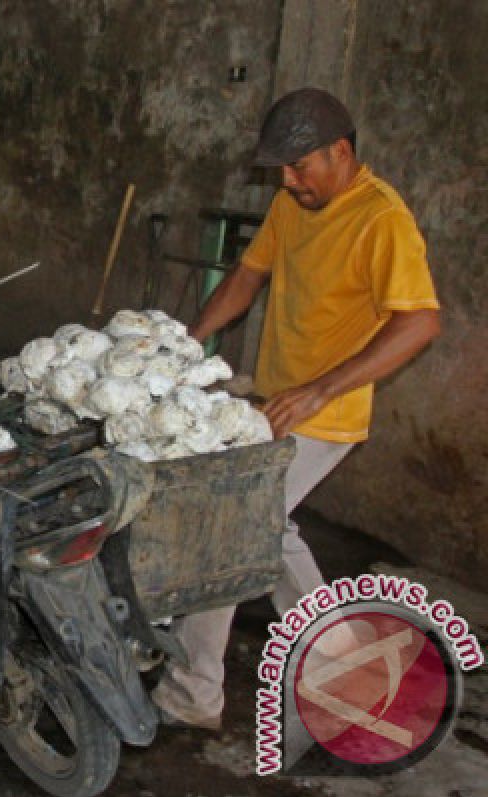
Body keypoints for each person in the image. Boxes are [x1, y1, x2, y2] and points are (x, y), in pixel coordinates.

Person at [151, 87, 441, 729]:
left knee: (229, 528)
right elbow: (249, 276)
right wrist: (189, 344)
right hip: (276, 401)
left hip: (325, 412)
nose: (287, 179)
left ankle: (191, 692)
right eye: (281, 168)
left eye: (299, 165)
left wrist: (323, 388)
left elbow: (419, 322)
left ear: (341, 152)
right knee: (268, 529)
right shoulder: (291, 204)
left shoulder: (381, 219)